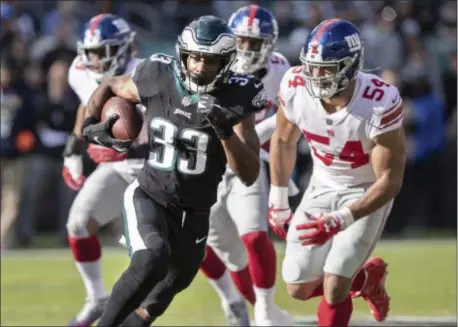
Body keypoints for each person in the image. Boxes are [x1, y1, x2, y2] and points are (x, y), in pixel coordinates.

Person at [81, 15, 266, 327]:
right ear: (183, 54)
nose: (199, 67)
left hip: (196, 214)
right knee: (151, 256)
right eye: (194, 58)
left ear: (227, 63)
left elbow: (249, 173)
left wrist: (224, 130)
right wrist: (88, 126)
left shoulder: (238, 95)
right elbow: (110, 84)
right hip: (150, 196)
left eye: (210, 61)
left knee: (160, 298)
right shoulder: (157, 74)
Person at [268, 19, 405, 327]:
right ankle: (368, 279)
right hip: (322, 184)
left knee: (334, 285)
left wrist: (343, 217)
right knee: (298, 287)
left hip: (365, 190)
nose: (316, 76)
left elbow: (390, 179)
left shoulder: (380, 101)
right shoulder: (294, 84)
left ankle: (350, 283)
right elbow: (283, 139)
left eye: (327, 68)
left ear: (352, 65)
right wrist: (278, 198)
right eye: (312, 67)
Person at [199, 5, 294, 326]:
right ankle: (244, 306)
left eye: (255, 42)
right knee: (228, 254)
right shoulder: (211, 65)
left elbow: (291, 119)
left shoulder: (281, 71)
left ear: (270, 44)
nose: (247, 49)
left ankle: (266, 313)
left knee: (254, 236)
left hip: (251, 163)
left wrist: (254, 138)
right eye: (242, 40)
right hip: (208, 167)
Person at [62, 13, 146, 327]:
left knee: (151, 252)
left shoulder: (143, 72)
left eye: (103, 51)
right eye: (91, 52)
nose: (95, 60)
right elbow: (88, 103)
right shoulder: (78, 71)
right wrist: (74, 147)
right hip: (117, 166)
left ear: (123, 49)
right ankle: (96, 297)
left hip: (153, 167)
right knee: (79, 222)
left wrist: (123, 141)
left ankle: (232, 301)